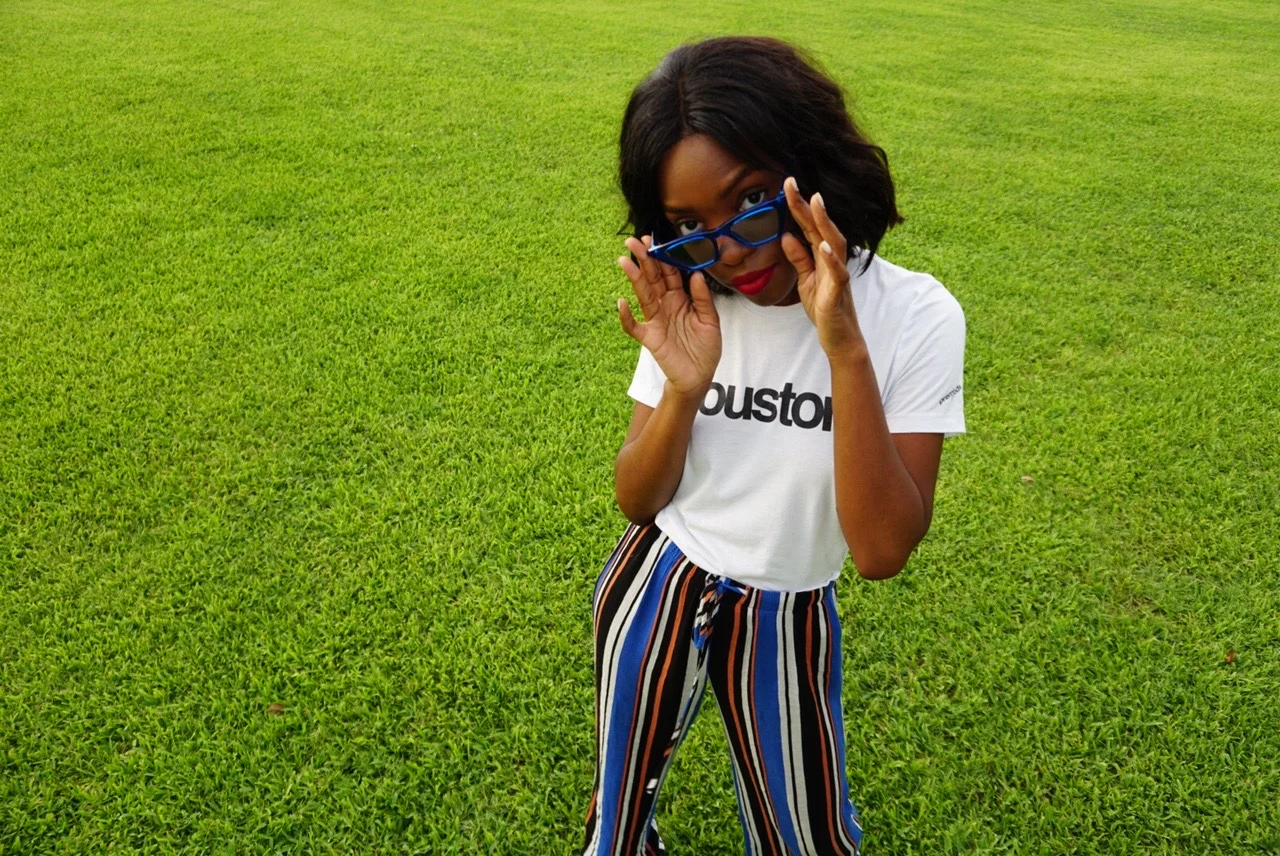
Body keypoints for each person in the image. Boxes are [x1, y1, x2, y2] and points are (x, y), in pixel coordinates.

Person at [583, 36, 966, 856]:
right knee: (616, 823)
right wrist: (683, 386)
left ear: (810, 162)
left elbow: (881, 550)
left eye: (753, 198)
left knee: (805, 834)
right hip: (656, 580)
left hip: (787, 611)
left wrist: (844, 349)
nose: (730, 250)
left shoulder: (916, 315)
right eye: (689, 225)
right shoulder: (695, 301)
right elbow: (637, 499)